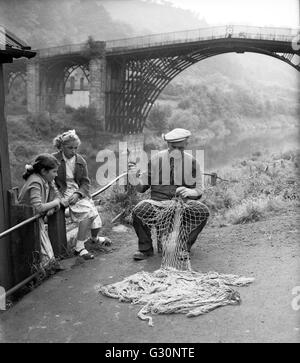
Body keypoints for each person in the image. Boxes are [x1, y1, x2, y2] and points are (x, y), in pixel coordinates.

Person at [131, 128, 210, 260]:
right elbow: (142, 188)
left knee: (202, 211)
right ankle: (145, 249)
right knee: (138, 210)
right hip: (157, 204)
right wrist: (134, 178)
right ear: (167, 144)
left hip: (182, 204)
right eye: (174, 147)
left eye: (181, 148)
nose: (177, 151)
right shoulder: (156, 159)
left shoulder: (192, 162)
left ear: (186, 144)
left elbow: (199, 190)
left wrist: (191, 191)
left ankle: (183, 247)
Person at [52, 130, 111, 260]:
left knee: (96, 219)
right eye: (70, 148)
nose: (73, 151)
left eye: (75, 148)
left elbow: (85, 182)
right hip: (63, 192)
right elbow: (43, 172)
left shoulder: (80, 160)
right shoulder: (53, 159)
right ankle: (79, 247)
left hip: (78, 191)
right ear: (62, 146)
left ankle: (94, 239)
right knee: (87, 213)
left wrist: (79, 194)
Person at [18, 153, 65, 272]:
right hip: (28, 222)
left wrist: (54, 205)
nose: (56, 174)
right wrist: (55, 203)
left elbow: (55, 195)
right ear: (44, 171)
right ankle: (44, 272)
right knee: (41, 251)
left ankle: (48, 268)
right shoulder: (36, 182)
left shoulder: (43, 179)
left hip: (35, 220)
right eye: (54, 171)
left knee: (46, 251)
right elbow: (37, 207)